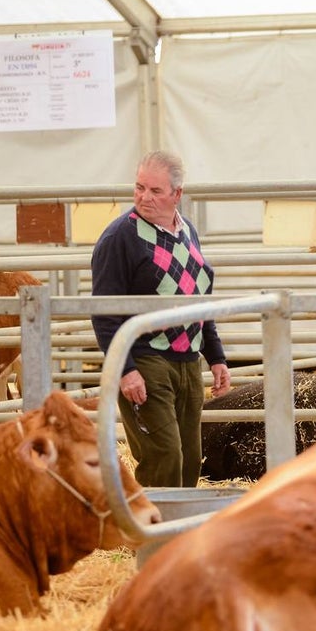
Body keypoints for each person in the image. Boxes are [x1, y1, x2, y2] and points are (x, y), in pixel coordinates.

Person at [91, 150, 231, 488]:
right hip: (145, 358)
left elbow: (197, 302)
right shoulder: (120, 238)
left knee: (189, 457)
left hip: (188, 361)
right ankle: (154, 523)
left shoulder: (187, 232)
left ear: (177, 194)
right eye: (139, 187)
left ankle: (183, 522)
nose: (144, 197)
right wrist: (125, 370)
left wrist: (216, 357)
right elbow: (104, 311)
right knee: (163, 455)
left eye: (155, 190)